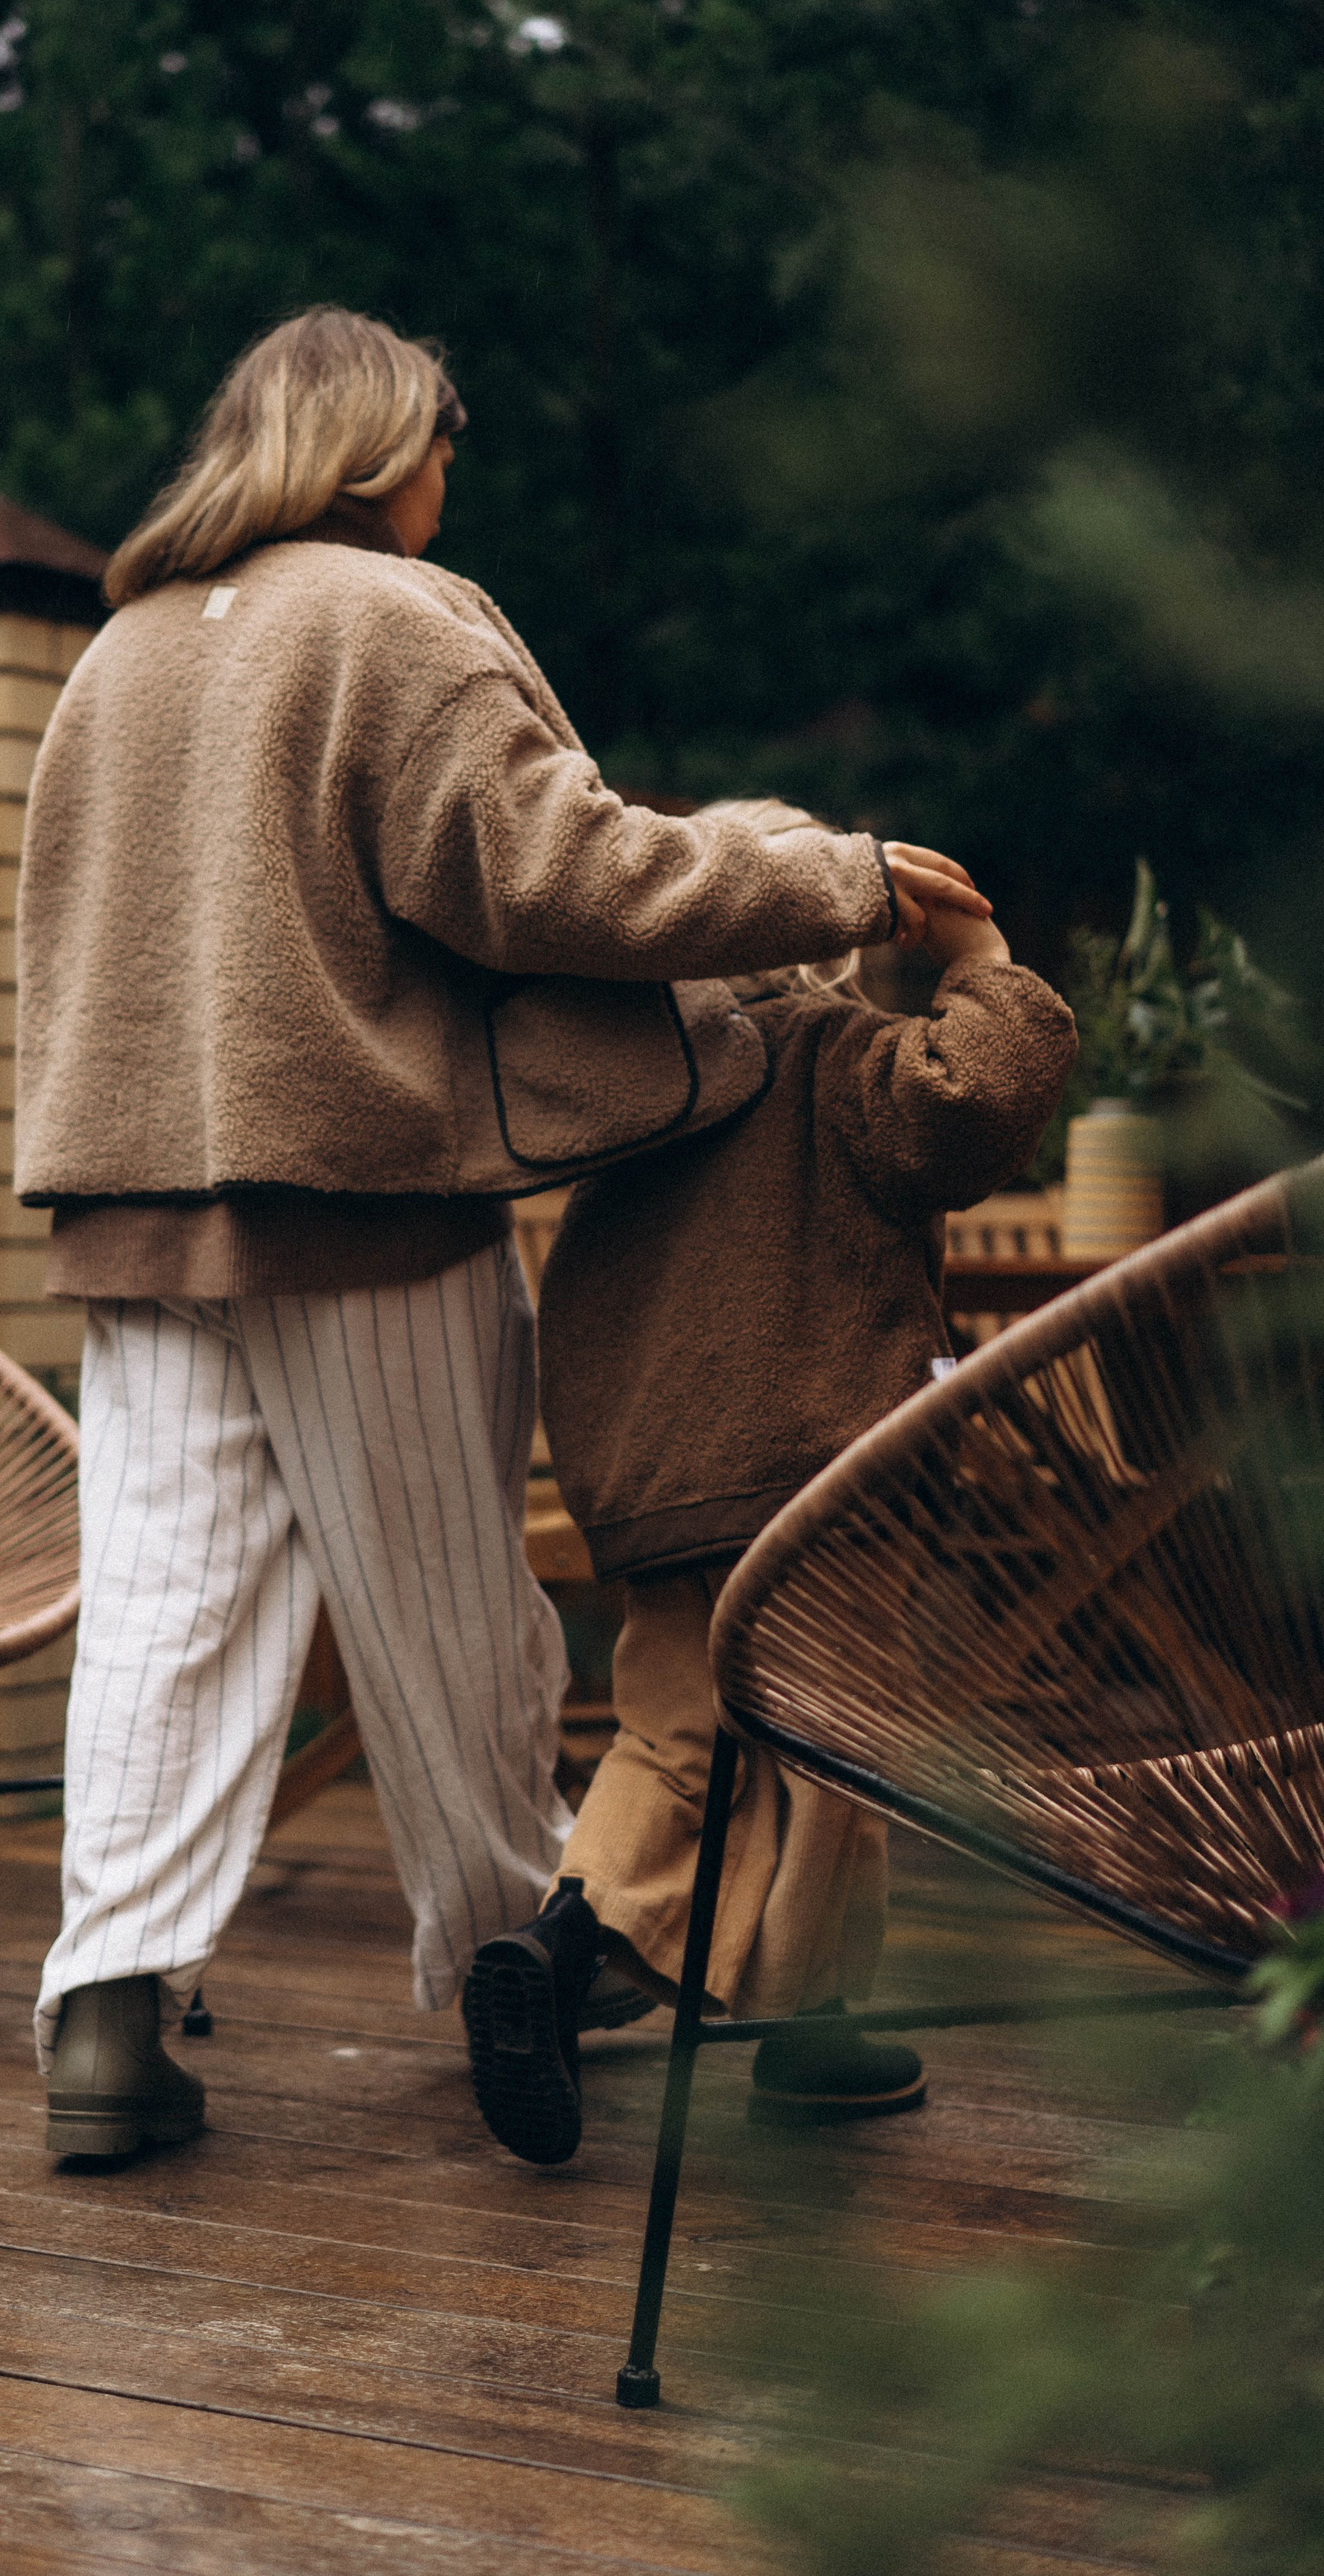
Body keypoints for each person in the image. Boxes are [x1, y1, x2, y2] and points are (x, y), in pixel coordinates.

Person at [12, 305, 991, 2163]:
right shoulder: (393, 618)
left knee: (159, 1613)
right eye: (444, 453)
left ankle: (106, 2027)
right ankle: (513, 1970)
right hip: (355, 1204)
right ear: (390, 453)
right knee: (454, 1621)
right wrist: (826, 876)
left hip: (131, 1217)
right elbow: (563, 872)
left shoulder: (115, 658)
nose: (448, 488)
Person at [463, 890, 1076, 2165]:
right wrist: (984, 964)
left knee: (671, 1736)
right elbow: (972, 1104)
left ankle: (558, 1952)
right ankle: (803, 2038)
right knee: (834, 1750)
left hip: (660, 1488)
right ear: (831, 954)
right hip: (817, 1483)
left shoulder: (645, 1092)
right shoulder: (831, 1056)